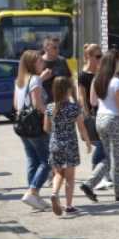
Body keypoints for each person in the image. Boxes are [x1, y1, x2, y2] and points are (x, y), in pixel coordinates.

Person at [80, 50, 119, 202]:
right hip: (115, 120)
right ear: (114, 63)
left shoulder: (96, 79)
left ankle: (90, 183)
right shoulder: (116, 82)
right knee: (116, 158)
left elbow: (92, 102)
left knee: (110, 157)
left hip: (100, 119)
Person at [45, 77, 90, 216]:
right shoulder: (74, 108)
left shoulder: (50, 107)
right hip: (70, 145)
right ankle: (69, 206)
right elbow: (81, 128)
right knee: (70, 177)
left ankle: (54, 193)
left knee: (58, 173)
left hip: (55, 144)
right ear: (69, 90)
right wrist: (87, 141)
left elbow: (46, 128)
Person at [14, 49, 50, 211]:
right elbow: (38, 105)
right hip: (36, 126)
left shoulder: (20, 80)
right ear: (32, 63)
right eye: (39, 61)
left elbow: (16, 105)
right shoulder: (35, 79)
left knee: (32, 160)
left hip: (22, 125)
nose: (43, 63)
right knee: (47, 161)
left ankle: (33, 195)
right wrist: (52, 114)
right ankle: (33, 191)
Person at [78, 43, 111, 190]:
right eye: (98, 56)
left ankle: (102, 175)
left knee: (103, 144)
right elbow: (81, 96)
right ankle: (98, 176)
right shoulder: (83, 75)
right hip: (93, 114)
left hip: (103, 111)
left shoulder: (99, 72)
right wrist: (86, 115)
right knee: (100, 144)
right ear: (88, 57)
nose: (100, 59)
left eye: (101, 56)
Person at [40, 37, 71, 105]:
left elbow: (69, 81)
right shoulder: (38, 62)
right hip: (45, 104)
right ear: (45, 49)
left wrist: (74, 99)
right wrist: (41, 78)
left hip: (62, 103)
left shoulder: (62, 61)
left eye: (58, 47)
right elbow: (31, 84)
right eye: (54, 48)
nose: (58, 50)